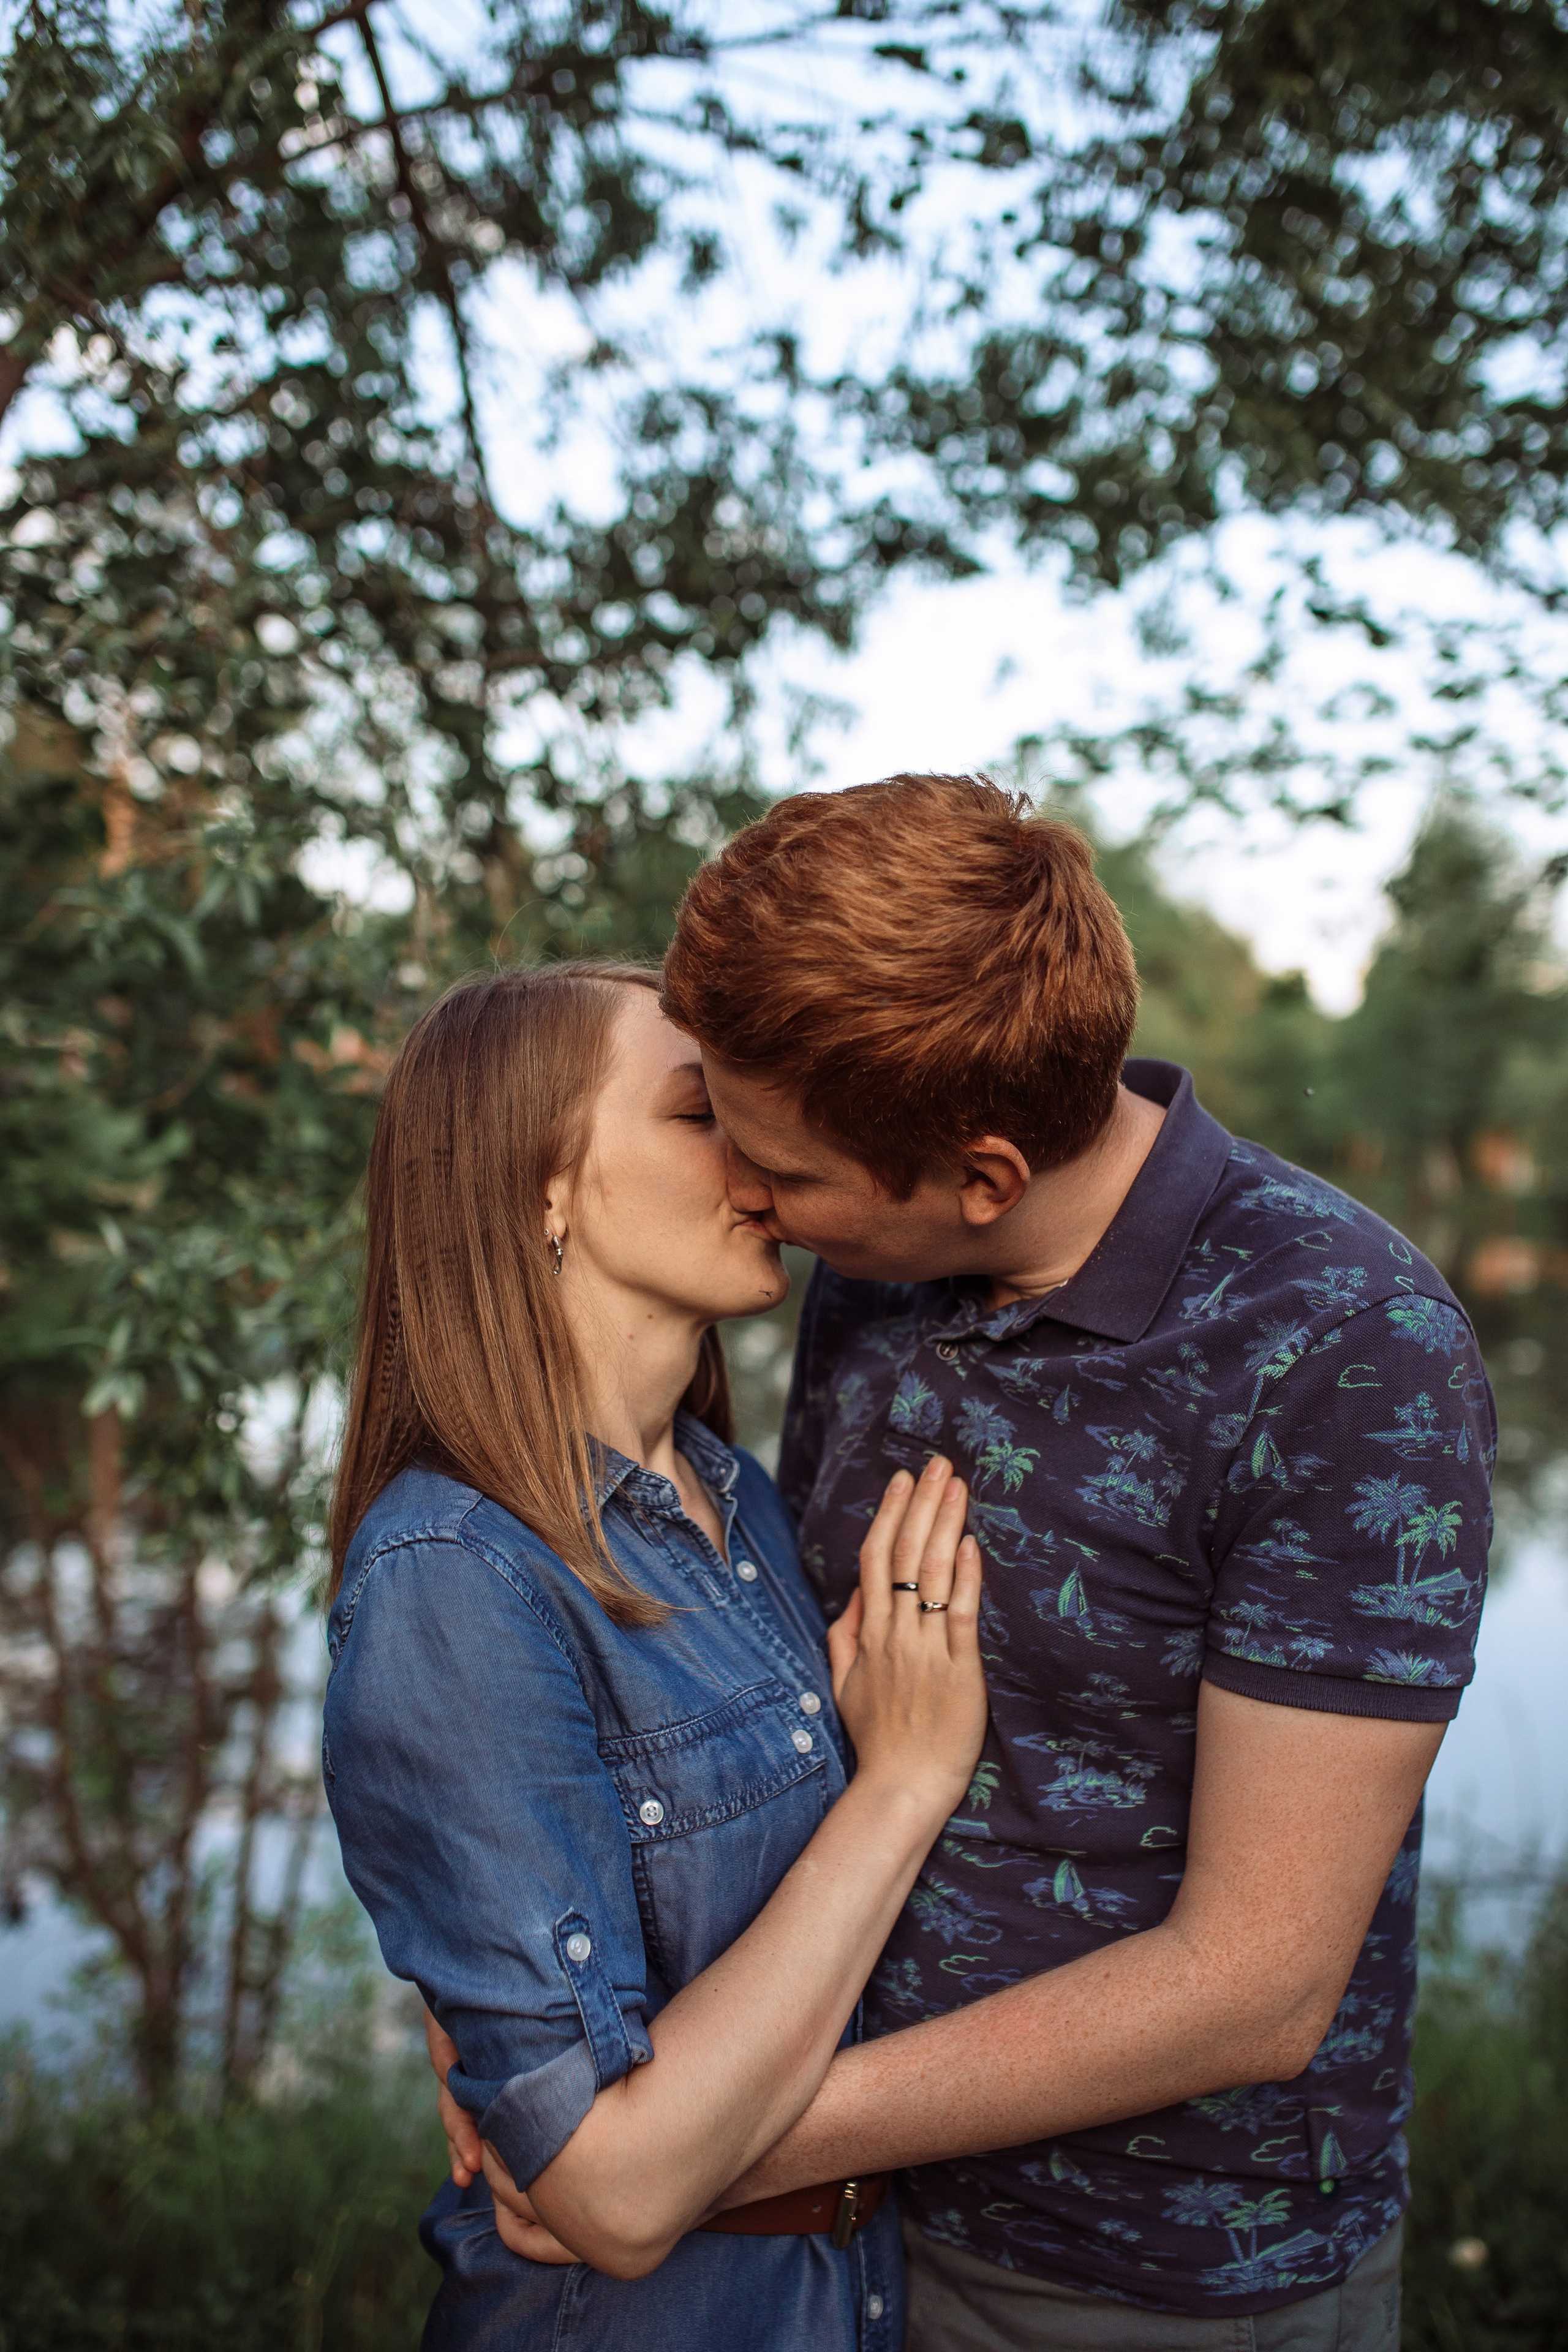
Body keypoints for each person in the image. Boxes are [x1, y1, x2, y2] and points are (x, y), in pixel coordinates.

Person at [442, 777, 1493, 2351]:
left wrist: (660, 2155)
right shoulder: (881, 1268)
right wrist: (545, 2039)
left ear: (981, 1176)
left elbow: (1254, 1985)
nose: (749, 1198)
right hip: (827, 2249)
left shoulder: (1348, 1351)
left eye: (782, 1172)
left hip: (1142, 2281)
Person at [322, 959, 992, 2351]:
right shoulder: (453, 1575)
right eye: (702, 1117)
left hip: (842, 2299)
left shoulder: (728, 1496)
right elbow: (614, 2195)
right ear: (538, 1188)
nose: (762, 1160)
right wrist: (900, 1786)